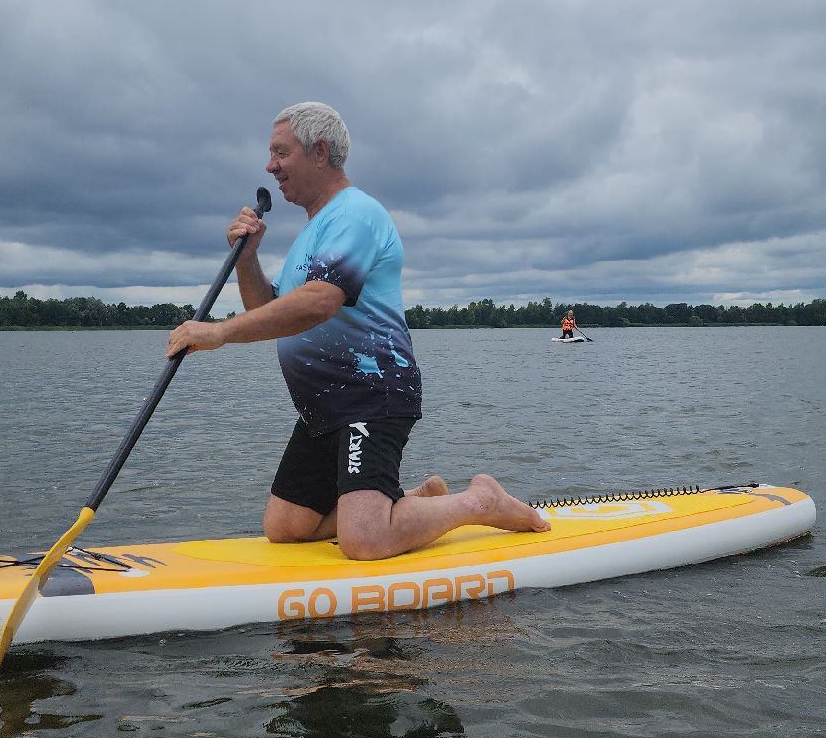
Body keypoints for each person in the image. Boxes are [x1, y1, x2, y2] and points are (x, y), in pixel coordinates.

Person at [167, 102, 548, 560]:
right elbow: (270, 311)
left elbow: (320, 303)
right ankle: (411, 504)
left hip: (371, 395)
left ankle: (479, 501)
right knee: (285, 528)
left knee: (364, 541)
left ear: (321, 151)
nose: (270, 167)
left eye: (280, 153)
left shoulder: (356, 215)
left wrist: (220, 332)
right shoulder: (313, 231)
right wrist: (247, 260)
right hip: (321, 406)